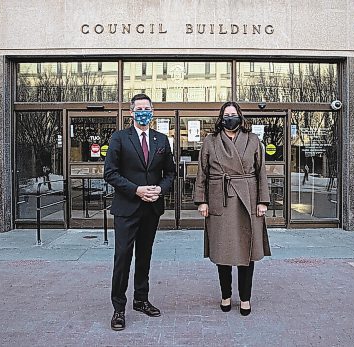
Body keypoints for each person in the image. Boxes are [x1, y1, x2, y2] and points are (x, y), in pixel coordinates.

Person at [104, 93, 175, 331]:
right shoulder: (119, 138)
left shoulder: (161, 140)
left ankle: (141, 300)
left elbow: (170, 173)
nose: (143, 112)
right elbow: (110, 173)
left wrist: (159, 190)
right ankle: (118, 308)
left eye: (147, 108)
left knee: (144, 256)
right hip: (127, 208)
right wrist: (136, 190)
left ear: (152, 112)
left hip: (151, 208)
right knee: (123, 258)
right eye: (139, 109)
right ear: (131, 112)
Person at [194, 101, 271, 316]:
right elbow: (202, 172)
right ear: (221, 118)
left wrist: (263, 201)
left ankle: (245, 298)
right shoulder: (210, 141)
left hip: (249, 199)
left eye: (234, 114)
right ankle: (226, 295)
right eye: (227, 114)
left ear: (240, 116)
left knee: (247, 251)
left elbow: (261, 172)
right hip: (220, 199)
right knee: (223, 251)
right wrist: (202, 200)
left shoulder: (253, 140)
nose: (230, 118)